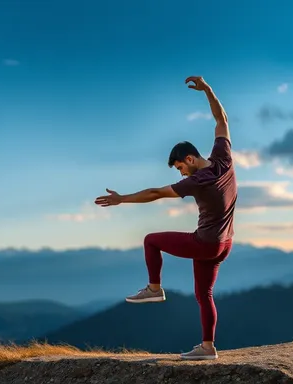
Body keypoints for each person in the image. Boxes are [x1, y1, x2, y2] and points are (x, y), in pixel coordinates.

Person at [94, 76, 237, 361]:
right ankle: (208, 347)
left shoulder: (198, 180)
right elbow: (221, 119)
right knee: (204, 294)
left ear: (190, 158)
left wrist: (122, 199)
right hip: (225, 244)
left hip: (206, 242)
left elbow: (155, 193)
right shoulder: (224, 157)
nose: (181, 173)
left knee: (151, 240)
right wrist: (208, 90)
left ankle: (155, 288)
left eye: (180, 167)